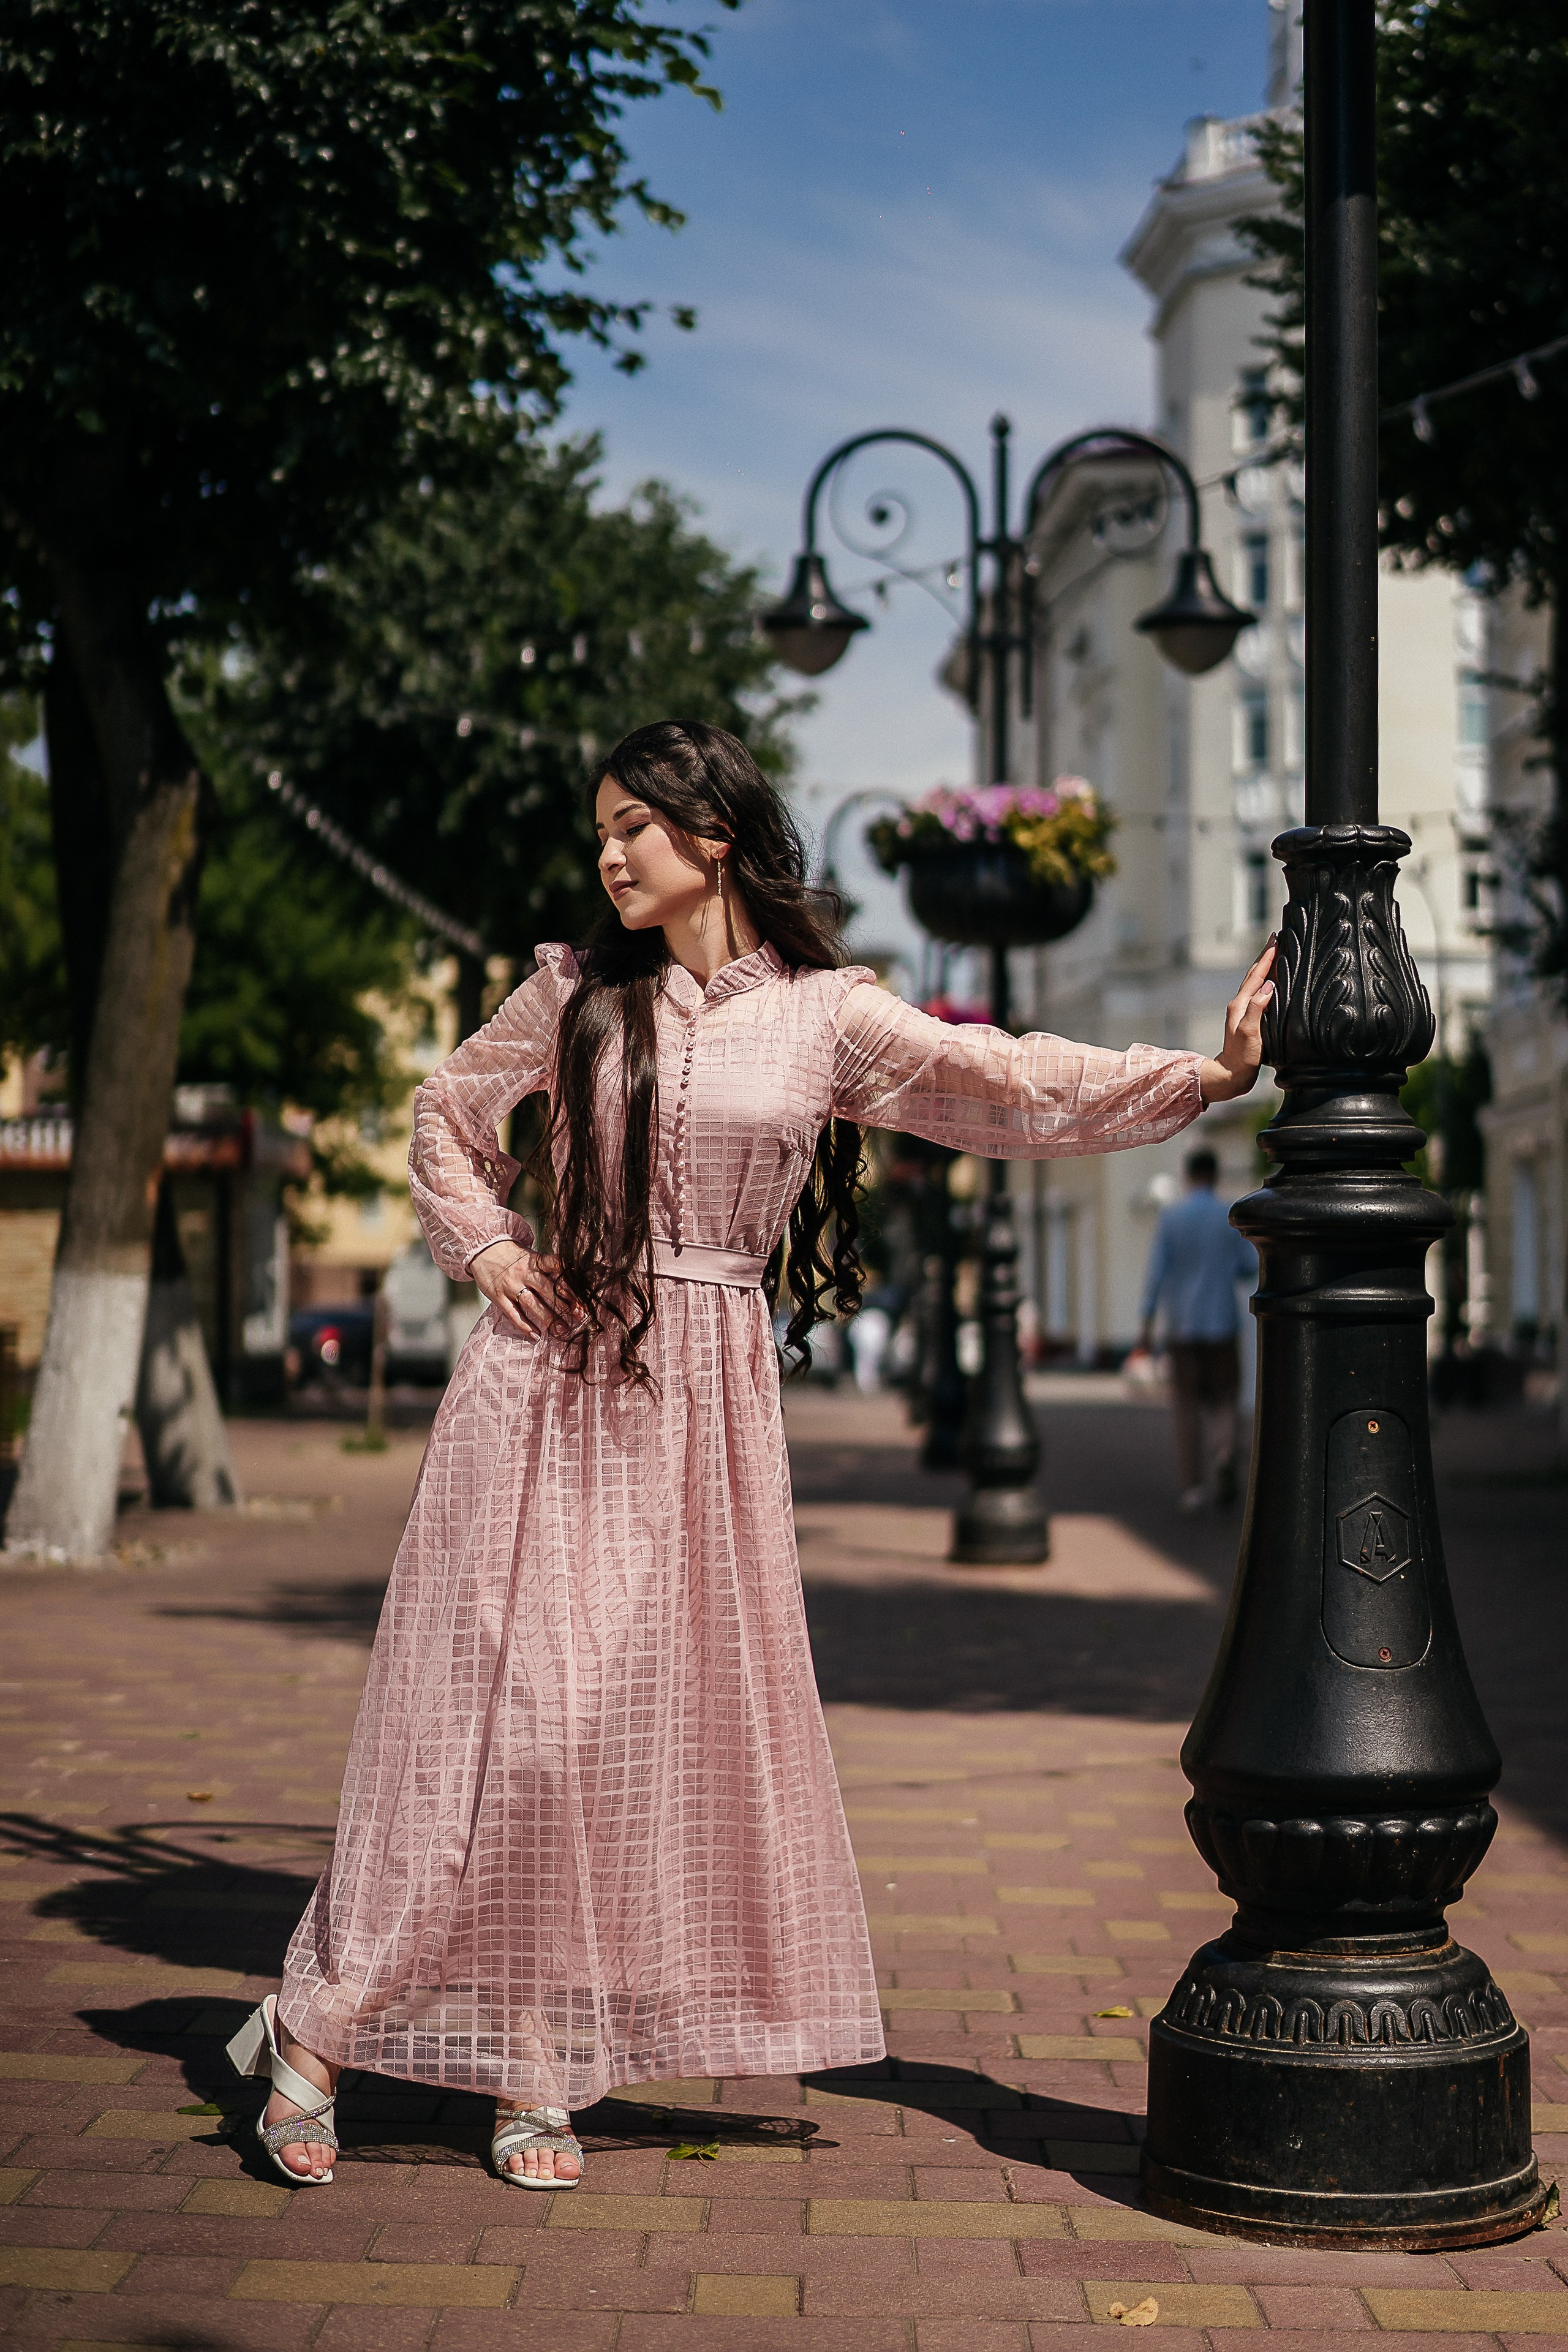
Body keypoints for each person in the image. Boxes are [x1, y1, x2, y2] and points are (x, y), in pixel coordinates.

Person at [227, 721, 1275, 2188]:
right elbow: (444, 1117)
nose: (606, 855)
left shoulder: (825, 1017)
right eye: (598, 830)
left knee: (601, 1738)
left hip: (705, 1406)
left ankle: (537, 2057)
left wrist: (1202, 1075)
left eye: (631, 827)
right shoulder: (576, 992)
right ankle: (310, 2029)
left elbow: (1002, 1084)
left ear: (710, 838)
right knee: (505, 1723)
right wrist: (486, 1248)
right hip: (546, 1386)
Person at [1139, 1144, 1259, 1514]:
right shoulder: (1230, 1217)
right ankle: (1225, 1454)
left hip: (1183, 1327)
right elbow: (1249, 1267)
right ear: (1216, 1175)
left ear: (1189, 1176)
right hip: (1223, 1322)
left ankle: (1192, 1488)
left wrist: (1146, 1323)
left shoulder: (1171, 1218)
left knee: (1187, 1406)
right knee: (1225, 1397)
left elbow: (1156, 1273)